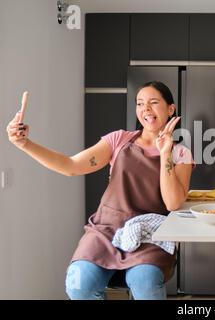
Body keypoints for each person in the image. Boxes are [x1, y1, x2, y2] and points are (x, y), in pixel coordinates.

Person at [6, 81, 194, 299]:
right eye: (140, 104)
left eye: (153, 102)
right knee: (79, 285)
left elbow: (172, 203)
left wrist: (164, 153)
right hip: (106, 230)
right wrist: (25, 144)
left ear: (170, 109)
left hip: (150, 236)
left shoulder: (181, 154)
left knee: (146, 284)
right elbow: (71, 166)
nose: (146, 110)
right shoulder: (119, 140)